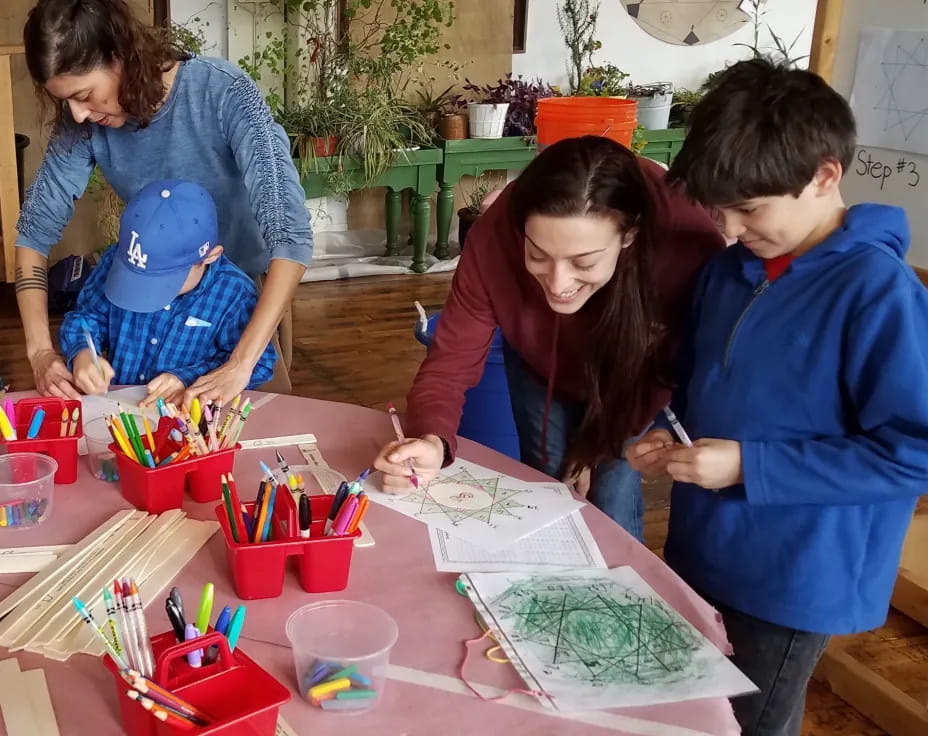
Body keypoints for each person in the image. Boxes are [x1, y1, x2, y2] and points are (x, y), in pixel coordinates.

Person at [627, 59, 928, 735]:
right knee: (690, 713)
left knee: (747, 725)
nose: (730, 230)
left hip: (795, 578)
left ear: (825, 176)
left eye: (750, 209)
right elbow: (707, 379)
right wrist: (666, 431)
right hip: (703, 546)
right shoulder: (732, 269)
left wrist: (749, 468)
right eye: (718, 209)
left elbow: (914, 455)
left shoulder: (879, 294)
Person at [373, 135, 725, 539]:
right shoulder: (495, 236)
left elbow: (671, 368)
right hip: (542, 364)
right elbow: (451, 358)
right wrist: (433, 439)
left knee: (610, 487)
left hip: (636, 374)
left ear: (629, 236)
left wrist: (597, 447)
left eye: (583, 262)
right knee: (546, 479)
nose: (558, 284)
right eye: (538, 256)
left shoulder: (683, 243)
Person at [15, 0, 311, 404]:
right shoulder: (83, 123)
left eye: (85, 95)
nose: (78, 115)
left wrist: (239, 364)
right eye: (66, 101)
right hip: (142, 288)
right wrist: (41, 353)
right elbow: (33, 233)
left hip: (237, 304)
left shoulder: (222, 92)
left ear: (121, 56)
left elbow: (290, 235)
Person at [59, 179, 276, 402]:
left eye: (164, 279)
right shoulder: (116, 261)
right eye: (136, 277)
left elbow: (260, 363)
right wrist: (83, 352)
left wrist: (187, 378)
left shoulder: (234, 294)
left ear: (210, 255)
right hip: (118, 411)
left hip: (187, 424)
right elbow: (86, 318)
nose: (146, 290)